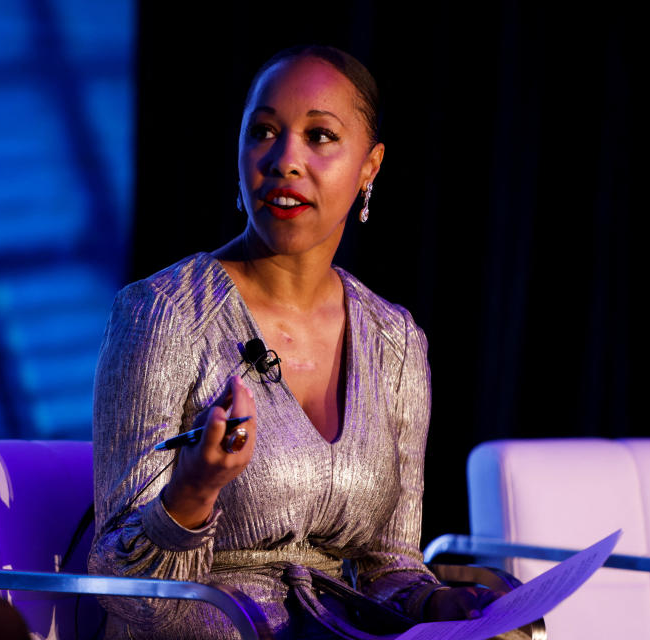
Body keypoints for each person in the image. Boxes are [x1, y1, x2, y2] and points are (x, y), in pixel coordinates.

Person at [89, 44, 511, 639]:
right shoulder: (163, 314)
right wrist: (195, 488)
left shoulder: (395, 340)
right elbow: (124, 587)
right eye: (264, 131)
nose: (285, 159)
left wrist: (438, 606)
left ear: (370, 167)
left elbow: (391, 566)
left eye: (320, 137)